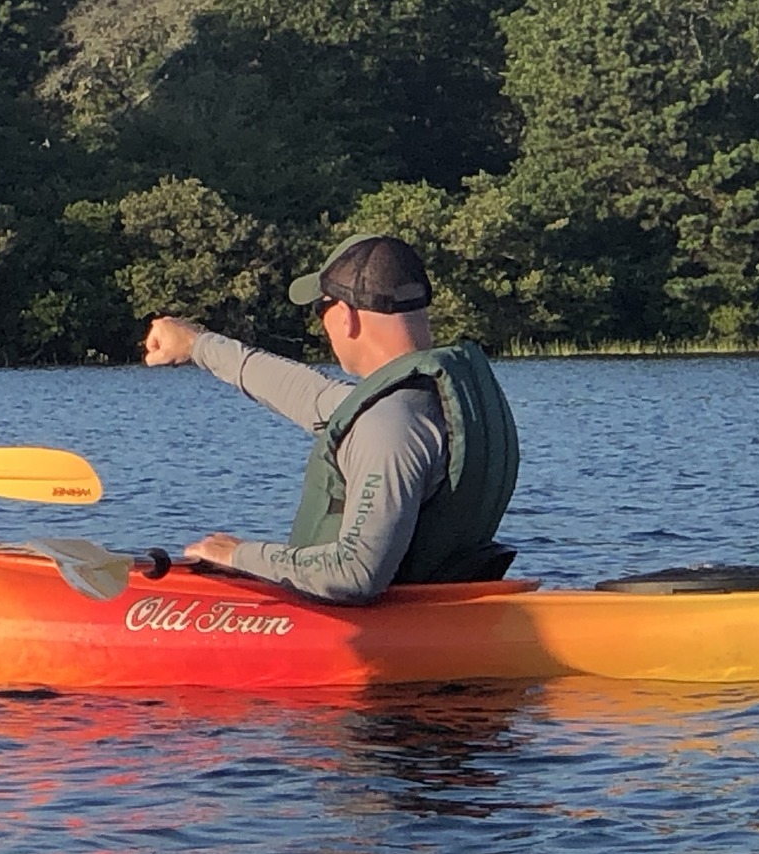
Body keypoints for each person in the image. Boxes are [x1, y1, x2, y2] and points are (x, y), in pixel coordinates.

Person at [142, 233, 518, 604]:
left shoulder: (390, 424)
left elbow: (354, 574)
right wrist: (197, 344)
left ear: (346, 316)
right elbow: (313, 396)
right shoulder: (426, 399)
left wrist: (238, 556)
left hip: (377, 630)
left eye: (321, 309)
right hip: (437, 613)